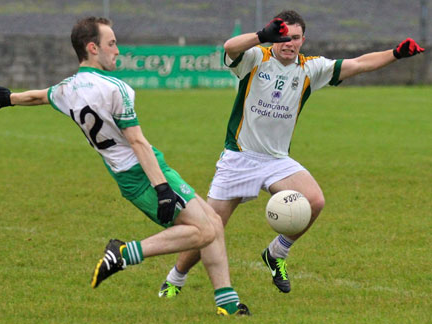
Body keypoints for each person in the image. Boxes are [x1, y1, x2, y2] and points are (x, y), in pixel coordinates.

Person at [0, 16, 251, 316]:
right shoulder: (116, 89)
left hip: (132, 174)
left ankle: (227, 303)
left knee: (214, 223)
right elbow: (137, 142)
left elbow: (40, 96)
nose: (118, 51)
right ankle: (124, 254)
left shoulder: (68, 88)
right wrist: (161, 188)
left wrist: (9, 98)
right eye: (111, 44)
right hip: (144, 173)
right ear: (92, 48)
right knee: (203, 231)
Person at [158, 10, 425, 296]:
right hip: (239, 157)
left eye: (295, 38)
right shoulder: (255, 58)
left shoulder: (310, 68)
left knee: (314, 200)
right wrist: (260, 36)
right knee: (209, 229)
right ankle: (175, 279)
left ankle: (276, 253)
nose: (289, 43)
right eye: (283, 37)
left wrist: (396, 53)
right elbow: (229, 47)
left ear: (303, 40)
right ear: (274, 37)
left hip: (276, 160)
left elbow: (359, 64)